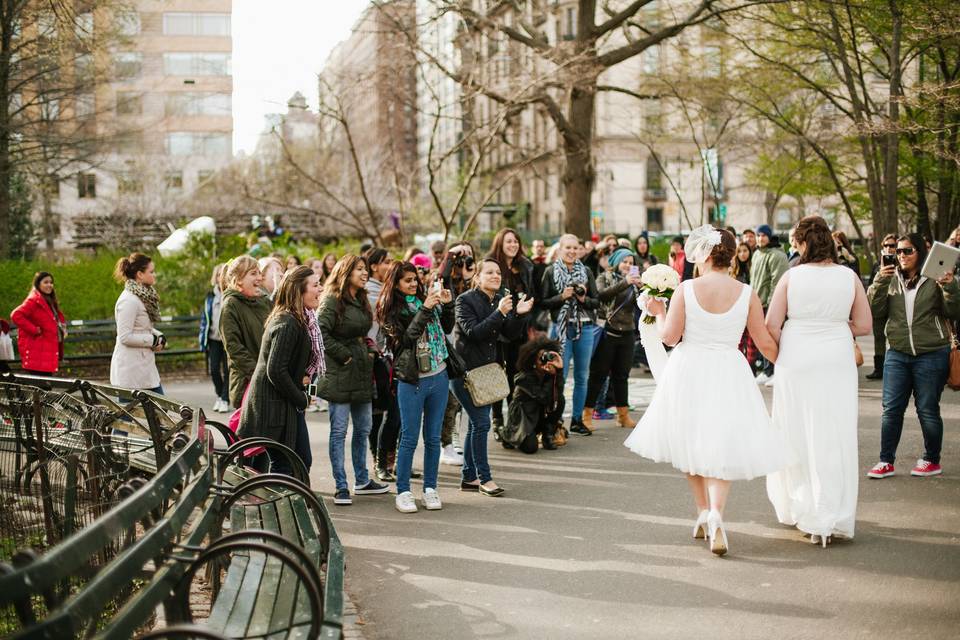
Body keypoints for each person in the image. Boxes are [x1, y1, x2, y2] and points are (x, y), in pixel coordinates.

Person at [626, 226, 787, 556]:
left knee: (689, 441)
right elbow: (765, 342)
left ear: (707, 254)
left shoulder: (687, 288)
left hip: (690, 369)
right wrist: (793, 360)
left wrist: (658, 313)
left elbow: (670, 337)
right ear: (729, 256)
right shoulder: (747, 293)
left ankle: (703, 510)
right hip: (730, 369)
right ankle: (714, 513)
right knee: (720, 445)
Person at [765, 216, 873, 547]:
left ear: (803, 243)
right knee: (833, 432)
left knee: (796, 431)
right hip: (836, 358)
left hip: (797, 357)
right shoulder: (849, 277)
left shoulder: (792, 276)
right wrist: (835, 327)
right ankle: (832, 514)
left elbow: (771, 324)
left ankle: (805, 509)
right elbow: (865, 325)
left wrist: (799, 334)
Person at [865, 233, 960, 480]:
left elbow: (954, 310)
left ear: (920, 252)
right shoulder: (889, 278)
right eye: (897, 252)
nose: (901, 256)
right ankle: (885, 461)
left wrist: (950, 286)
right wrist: (879, 283)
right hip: (897, 353)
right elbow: (875, 311)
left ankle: (931, 459)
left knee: (927, 409)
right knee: (891, 410)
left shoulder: (934, 277)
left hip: (931, 353)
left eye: (907, 251)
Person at [377, 261, 457, 513]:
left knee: (433, 437)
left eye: (415, 279)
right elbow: (405, 340)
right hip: (412, 380)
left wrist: (447, 304)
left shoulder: (427, 299)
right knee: (409, 437)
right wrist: (425, 308)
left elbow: (446, 328)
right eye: (407, 280)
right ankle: (403, 491)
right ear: (396, 283)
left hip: (439, 375)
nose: (413, 284)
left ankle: (430, 489)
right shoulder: (390, 310)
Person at [452, 258, 534, 496]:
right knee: (482, 423)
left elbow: (508, 335)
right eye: (489, 272)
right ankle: (484, 478)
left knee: (478, 424)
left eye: (498, 272)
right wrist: (500, 313)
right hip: (465, 373)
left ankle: (468, 477)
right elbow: (474, 333)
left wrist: (518, 315)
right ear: (477, 277)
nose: (496, 276)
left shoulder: (499, 300)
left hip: (487, 373)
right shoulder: (464, 300)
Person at [316, 254, 390, 505]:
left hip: (361, 371)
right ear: (346, 272)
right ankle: (340, 485)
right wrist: (344, 355)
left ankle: (362, 479)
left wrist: (369, 348)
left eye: (365, 269)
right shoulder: (331, 300)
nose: (365, 273)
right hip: (339, 373)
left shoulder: (360, 300)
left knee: (364, 428)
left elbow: (364, 330)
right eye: (359, 269)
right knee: (339, 431)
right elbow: (320, 332)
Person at [238, 266, 322, 476]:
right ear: (298, 291)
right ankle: (280, 507)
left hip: (284, 405)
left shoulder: (298, 318)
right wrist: (301, 398)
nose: (320, 289)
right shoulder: (287, 323)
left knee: (299, 462)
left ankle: (291, 506)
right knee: (288, 465)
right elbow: (275, 371)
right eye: (315, 285)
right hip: (273, 408)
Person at [541, 234, 601, 435]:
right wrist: (562, 297)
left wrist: (583, 299)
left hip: (584, 328)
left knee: (582, 376)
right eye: (568, 248)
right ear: (560, 250)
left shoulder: (587, 272)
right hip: (560, 328)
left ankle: (576, 420)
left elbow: (596, 302)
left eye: (575, 248)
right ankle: (555, 422)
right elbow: (543, 302)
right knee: (559, 376)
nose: (572, 251)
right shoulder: (550, 272)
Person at [583, 248, 643, 429]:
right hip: (608, 332)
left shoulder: (634, 283)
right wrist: (625, 282)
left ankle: (623, 415)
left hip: (627, 332)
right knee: (598, 375)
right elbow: (601, 295)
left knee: (622, 376)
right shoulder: (604, 277)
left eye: (631, 263)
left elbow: (639, 306)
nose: (628, 265)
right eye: (625, 261)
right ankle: (587, 415)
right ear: (616, 262)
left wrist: (643, 289)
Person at [487, 228, 536, 442]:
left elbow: (532, 294)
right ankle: (497, 420)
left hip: (520, 328)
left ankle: (513, 419)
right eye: (509, 241)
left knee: (517, 376)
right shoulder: (492, 266)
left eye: (516, 241)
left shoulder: (524, 266)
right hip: (499, 330)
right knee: (499, 376)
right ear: (500, 243)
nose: (513, 245)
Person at [436, 243, 476, 465]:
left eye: (469, 256)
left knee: (463, 400)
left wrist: (471, 277)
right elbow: (441, 278)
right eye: (460, 256)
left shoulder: (473, 279)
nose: (464, 260)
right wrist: (452, 256)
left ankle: (456, 441)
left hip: (470, 346)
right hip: (451, 345)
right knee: (450, 400)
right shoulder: (446, 281)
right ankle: (446, 445)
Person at [220, 256, 273, 411]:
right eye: (253, 273)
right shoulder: (231, 305)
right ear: (239, 280)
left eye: (259, 273)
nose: (259, 277)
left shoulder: (264, 301)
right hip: (247, 384)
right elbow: (234, 348)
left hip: (270, 380)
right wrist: (259, 373)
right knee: (252, 435)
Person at [110, 253, 165, 394]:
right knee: (127, 415)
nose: (155, 275)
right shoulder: (128, 300)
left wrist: (159, 337)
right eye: (151, 272)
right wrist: (153, 340)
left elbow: (142, 327)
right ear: (140, 274)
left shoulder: (143, 296)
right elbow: (125, 337)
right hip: (130, 371)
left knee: (159, 413)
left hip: (144, 368)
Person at [503, 336, 564, 453]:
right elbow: (543, 398)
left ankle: (547, 435)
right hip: (524, 419)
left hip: (538, 415)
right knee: (531, 448)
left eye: (547, 357)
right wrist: (550, 378)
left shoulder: (548, 374)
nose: (545, 361)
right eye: (541, 358)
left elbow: (557, 394)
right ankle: (508, 434)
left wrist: (559, 371)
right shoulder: (523, 378)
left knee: (560, 399)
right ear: (532, 361)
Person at [750, 224, 790, 386]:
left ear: (769, 236)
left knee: (771, 337)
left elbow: (777, 282)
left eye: (763, 235)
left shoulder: (776, 255)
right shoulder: (757, 254)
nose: (760, 238)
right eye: (758, 235)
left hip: (770, 303)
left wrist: (773, 303)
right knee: (762, 337)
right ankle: (767, 370)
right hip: (758, 302)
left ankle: (773, 371)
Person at [10, 271, 67, 376]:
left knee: (44, 387)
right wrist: (34, 330)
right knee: (41, 388)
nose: (49, 285)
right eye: (46, 282)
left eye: (51, 282)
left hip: (46, 352)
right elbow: (16, 315)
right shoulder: (33, 300)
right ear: (38, 284)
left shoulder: (49, 301)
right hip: (37, 351)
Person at [866, 234, 898, 379]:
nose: (889, 248)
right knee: (878, 337)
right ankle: (878, 368)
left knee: (893, 337)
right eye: (886, 245)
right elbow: (871, 286)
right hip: (879, 304)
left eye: (892, 245)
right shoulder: (878, 265)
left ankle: (893, 368)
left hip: (894, 305)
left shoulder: (903, 263)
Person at [199, 264, 230, 412]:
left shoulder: (231, 294)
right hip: (213, 339)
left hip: (228, 340)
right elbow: (205, 319)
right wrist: (202, 339)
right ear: (215, 277)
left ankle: (225, 399)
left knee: (228, 370)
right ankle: (219, 395)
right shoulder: (210, 296)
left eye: (224, 274)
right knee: (214, 369)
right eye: (219, 274)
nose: (221, 277)